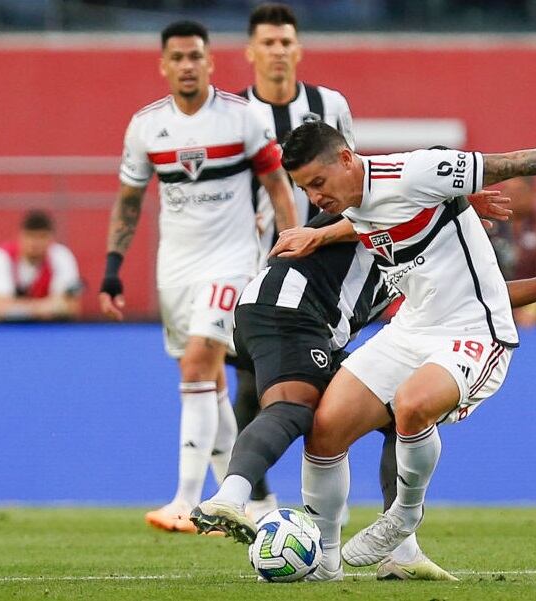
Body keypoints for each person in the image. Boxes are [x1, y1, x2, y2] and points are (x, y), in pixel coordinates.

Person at [276, 121, 536, 579]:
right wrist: (318, 234)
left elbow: (512, 163)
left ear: (345, 159)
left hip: (475, 332)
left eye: (318, 183)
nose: (315, 197)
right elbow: (362, 222)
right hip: (410, 328)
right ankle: (325, 563)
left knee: (412, 405)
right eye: (305, 189)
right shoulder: (356, 202)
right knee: (324, 430)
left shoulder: (418, 172)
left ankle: (404, 516)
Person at [190, 196, 536, 582]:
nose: (315, 193)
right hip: (291, 308)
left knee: (390, 418)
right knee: (296, 408)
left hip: (307, 323)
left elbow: (482, 297)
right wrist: (460, 195)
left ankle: (399, 550)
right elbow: (375, 215)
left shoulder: (422, 252)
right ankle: (237, 499)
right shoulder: (383, 200)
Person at [97, 20, 298, 534]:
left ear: (210, 62)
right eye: (178, 57)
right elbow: (127, 203)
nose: (187, 65)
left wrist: (293, 243)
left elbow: (277, 185)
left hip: (233, 260)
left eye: (196, 57)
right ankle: (250, 500)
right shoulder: (146, 126)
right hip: (176, 269)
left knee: (197, 362)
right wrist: (113, 269)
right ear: (163, 65)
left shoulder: (242, 118)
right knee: (204, 380)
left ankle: (186, 501)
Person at [231, 1, 357, 522]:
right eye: (268, 42)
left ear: (298, 49)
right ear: (250, 51)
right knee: (245, 384)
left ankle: (322, 500)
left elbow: (351, 174)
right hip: (251, 264)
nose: (278, 51)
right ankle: (257, 498)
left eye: (286, 42)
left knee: (331, 379)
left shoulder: (331, 104)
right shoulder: (232, 113)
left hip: (324, 264)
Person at [0, 210, 81, 321]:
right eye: (31, 236)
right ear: (20, 236)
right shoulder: (0, 257)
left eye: (42, 237)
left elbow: (71, 307)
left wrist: (18, 307)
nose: (36, 243)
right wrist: (47, 306)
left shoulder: (60, 256)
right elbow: (0, 309)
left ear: (51, 238)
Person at [487, 176, 536, 327]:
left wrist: (533, 309)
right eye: (507, 190)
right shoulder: (487, 226)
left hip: (535, 318)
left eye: (519, 190)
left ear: (533, 193)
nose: (512, 196)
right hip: (492, 312)